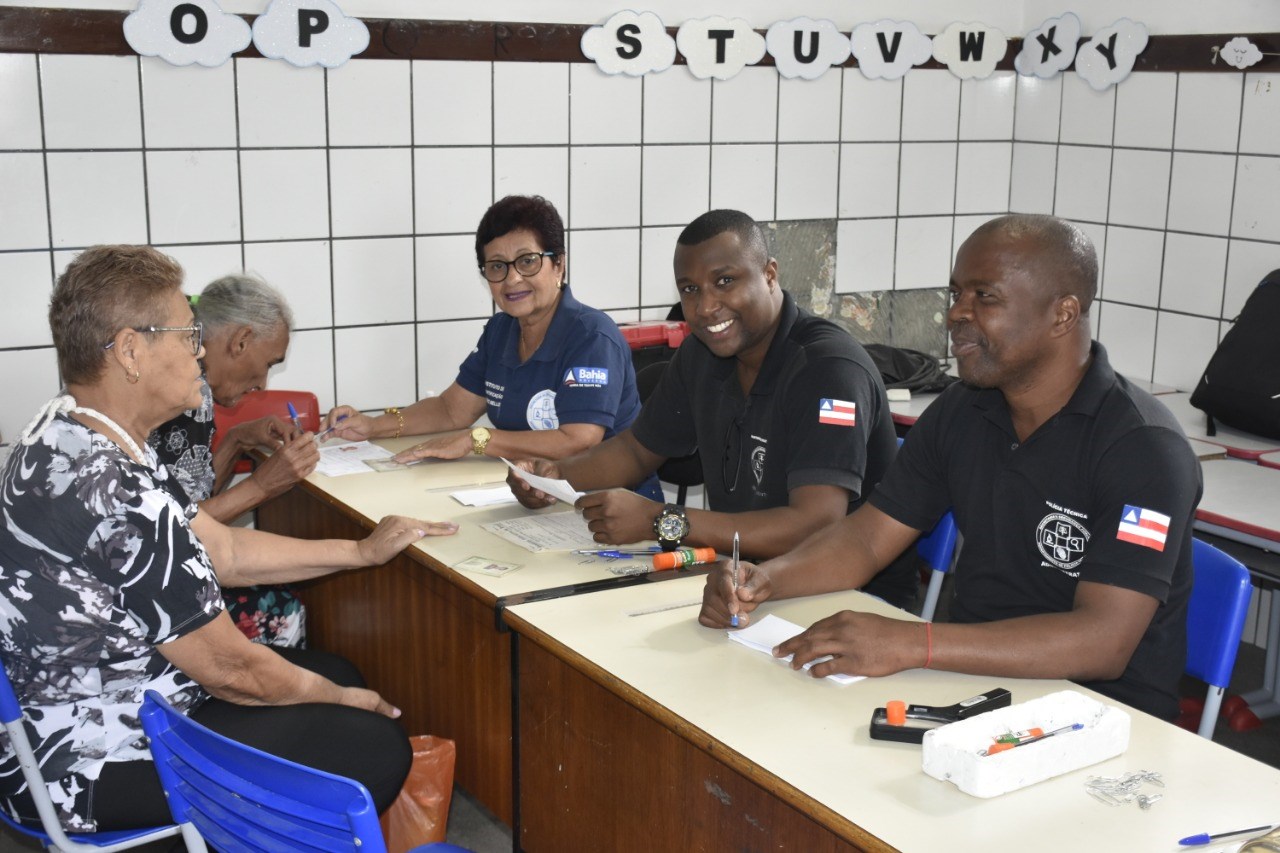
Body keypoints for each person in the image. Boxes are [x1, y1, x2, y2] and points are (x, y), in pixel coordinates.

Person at [0, 245, 458, 834]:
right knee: (373, 746)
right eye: (187, 334)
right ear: (131, 351)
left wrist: (361, 551)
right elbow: (229, 670)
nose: (199, 351)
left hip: (94, 711)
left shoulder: (71, 428)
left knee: (337, 672)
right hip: (89, 758)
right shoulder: (112, 489)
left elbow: (224, 550)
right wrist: (340, 701)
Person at [700, 214, 1200, 721]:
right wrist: (763, 580)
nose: (956, 313)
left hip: (1104, 717)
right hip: (973, 682)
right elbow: (867, 539)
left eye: (985, 296)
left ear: (1063, 315)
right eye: (957, 293)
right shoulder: (965, 409)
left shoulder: (1144, 449)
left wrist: (914, 643)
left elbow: (1103, 642)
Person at [510, 209, 914, 609]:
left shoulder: (829, 370)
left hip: (846, 600)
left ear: (769, 274)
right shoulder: (701, 354)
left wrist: (661, 519)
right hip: (739, 580)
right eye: (690, 289)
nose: (705, 307)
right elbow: (635, 451)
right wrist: (553, 477)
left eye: (725, 281)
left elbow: (815, 524)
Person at [322, 195, 660, 498]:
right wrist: (372, 425)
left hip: (612, 505)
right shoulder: (501, 329)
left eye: (527, 261)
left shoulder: (592, 336)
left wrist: (477, 439)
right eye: (497, 266)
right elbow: (451, 410)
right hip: (532, 495)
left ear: (558, 263)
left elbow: (578, 440)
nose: (512, 279)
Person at [149, 273, 317, 648]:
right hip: (147, 601)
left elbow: (190, 500)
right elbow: (177, 532)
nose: (263, 384)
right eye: (269, 363)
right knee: (281, 606)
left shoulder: (191, 373)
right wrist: (262, 485)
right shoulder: (183, 391)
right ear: (240, 340)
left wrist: (238, 439)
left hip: (149, 577)